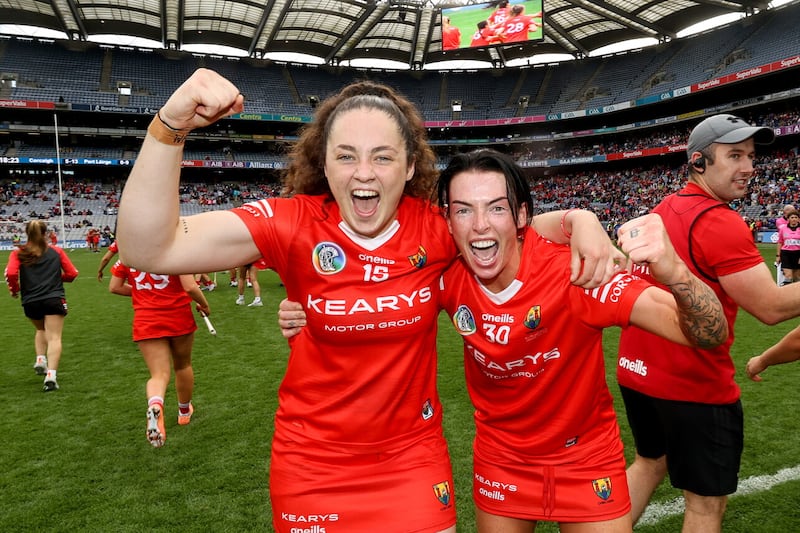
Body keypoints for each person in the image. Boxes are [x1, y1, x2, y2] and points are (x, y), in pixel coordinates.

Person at [115, 68, 624, 532]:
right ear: (325, 165)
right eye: (346, 156)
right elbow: (148, 247)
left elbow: (512, 228)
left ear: (408, 169)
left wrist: (582, 219)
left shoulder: (436, 228)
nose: (364, 173)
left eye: (382, 156)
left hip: (412, 462)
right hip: (312, 465)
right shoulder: (291, 223)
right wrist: (169, 126)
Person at [279, 149, 728, 531]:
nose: (479, 226)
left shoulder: (574, 273)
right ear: (447, 223)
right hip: (502, 461)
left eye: (496, 208)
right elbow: (368, 306)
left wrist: (675, 273)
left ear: (520, 217)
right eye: (463, 210)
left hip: (586, 459)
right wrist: (303, 313)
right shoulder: (445, 276)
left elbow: (708, 335)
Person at [615, 113, 800, 532]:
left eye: (751, 156)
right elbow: (770, 307)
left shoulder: (662, 209)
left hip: (638, 374)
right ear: (698, 162)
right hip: (693, 384)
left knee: (647, 464)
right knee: (704, 507)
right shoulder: (719, 220)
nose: (749, 167)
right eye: (734, 155)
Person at [108, 258, 211, 447]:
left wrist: (143, 294)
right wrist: (204, 304)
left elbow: (114, 287)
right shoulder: (175, 252)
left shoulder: (129, 255)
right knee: (183, 365)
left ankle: (155, 405)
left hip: (146, 319)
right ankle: (184, 412)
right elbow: (190, 287)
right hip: (178, 317)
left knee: (158, 374)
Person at [4, 219, 79, 391]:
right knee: (54, 337)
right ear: (45, 233)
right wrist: (57, 279)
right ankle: (51, 375)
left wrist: (15, 289)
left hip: (30, 300)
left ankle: (40, 359)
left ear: (26, 233)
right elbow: (72, 273)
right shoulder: (56, 251)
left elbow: (11, 273)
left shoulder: (18, 253)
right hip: (53, 298)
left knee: (40, 329)